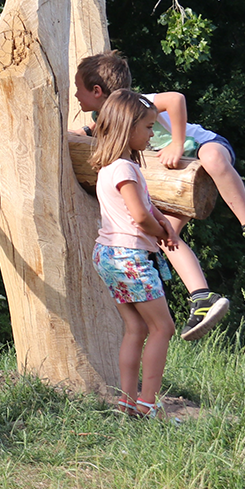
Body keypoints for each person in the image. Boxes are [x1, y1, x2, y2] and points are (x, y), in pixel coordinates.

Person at [76, 50, 245, 335]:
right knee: (165, 234)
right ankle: (202, 297)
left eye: (78, 89)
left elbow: (176, 99)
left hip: (202, 144)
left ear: (97, 90)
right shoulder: (108, 115)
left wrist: (178, 143)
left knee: (214, 160)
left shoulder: (140, 102)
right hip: (180, 177)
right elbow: (92, 128)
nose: (75, 95)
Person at [89, 89, 180, 419]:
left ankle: (127, 401)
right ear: (128, 128)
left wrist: (163, 224)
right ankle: (147, 403)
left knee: (136, 329)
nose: (152, 134)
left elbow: (146, 207)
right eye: (147, 127)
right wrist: (159, 232)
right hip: (130, 258)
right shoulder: (125, 169)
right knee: (162, 328)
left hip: (109, 256)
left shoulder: (110, 168)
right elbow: (139, 217)